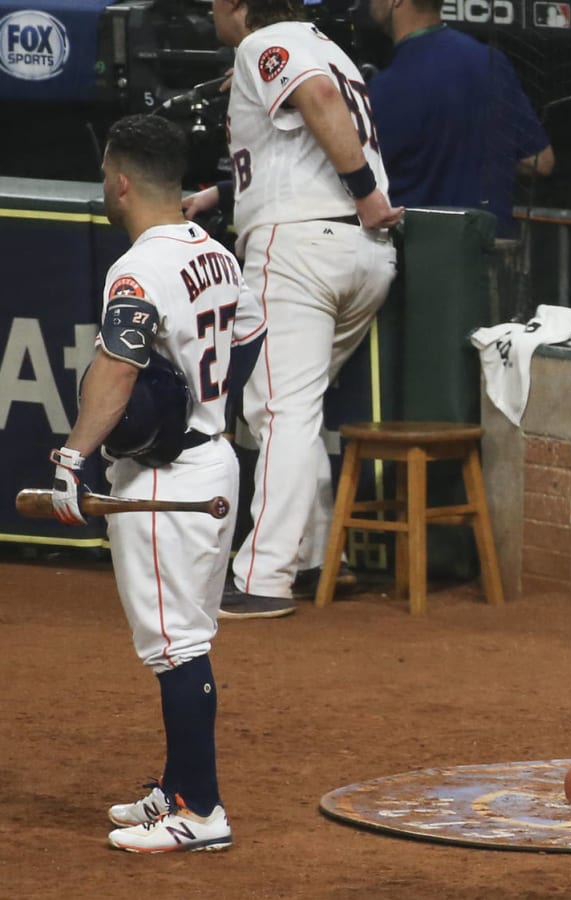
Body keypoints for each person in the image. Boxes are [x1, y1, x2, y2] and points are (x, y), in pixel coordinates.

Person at [52, 114, 263, 852]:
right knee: (188, 636)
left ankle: (200, 811)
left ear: (120, 182)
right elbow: (250, 339)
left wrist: (72, 459)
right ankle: (177, 787)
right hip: (214, 462)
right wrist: (204, 408)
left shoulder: (137, 266)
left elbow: (114, 372)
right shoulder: (219, 253)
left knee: (175, 646)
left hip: (164, 480)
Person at [185, 0, 403, 618]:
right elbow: (300, 150)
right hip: (360, 255)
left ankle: (265, 576)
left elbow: (320, 104)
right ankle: (309, 558)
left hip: (303, 247)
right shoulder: (326, 45)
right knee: (283, 409)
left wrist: (365, 195)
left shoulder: (265, 44)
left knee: (280, 411)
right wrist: (219, 194)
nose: (210, 13)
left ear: (237, 4)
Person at [368, 0, 554, 240]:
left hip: (418, 258)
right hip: (488, 257)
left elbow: (357, 180)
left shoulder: (383, 89)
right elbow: (539, 160)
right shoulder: (490, 61)